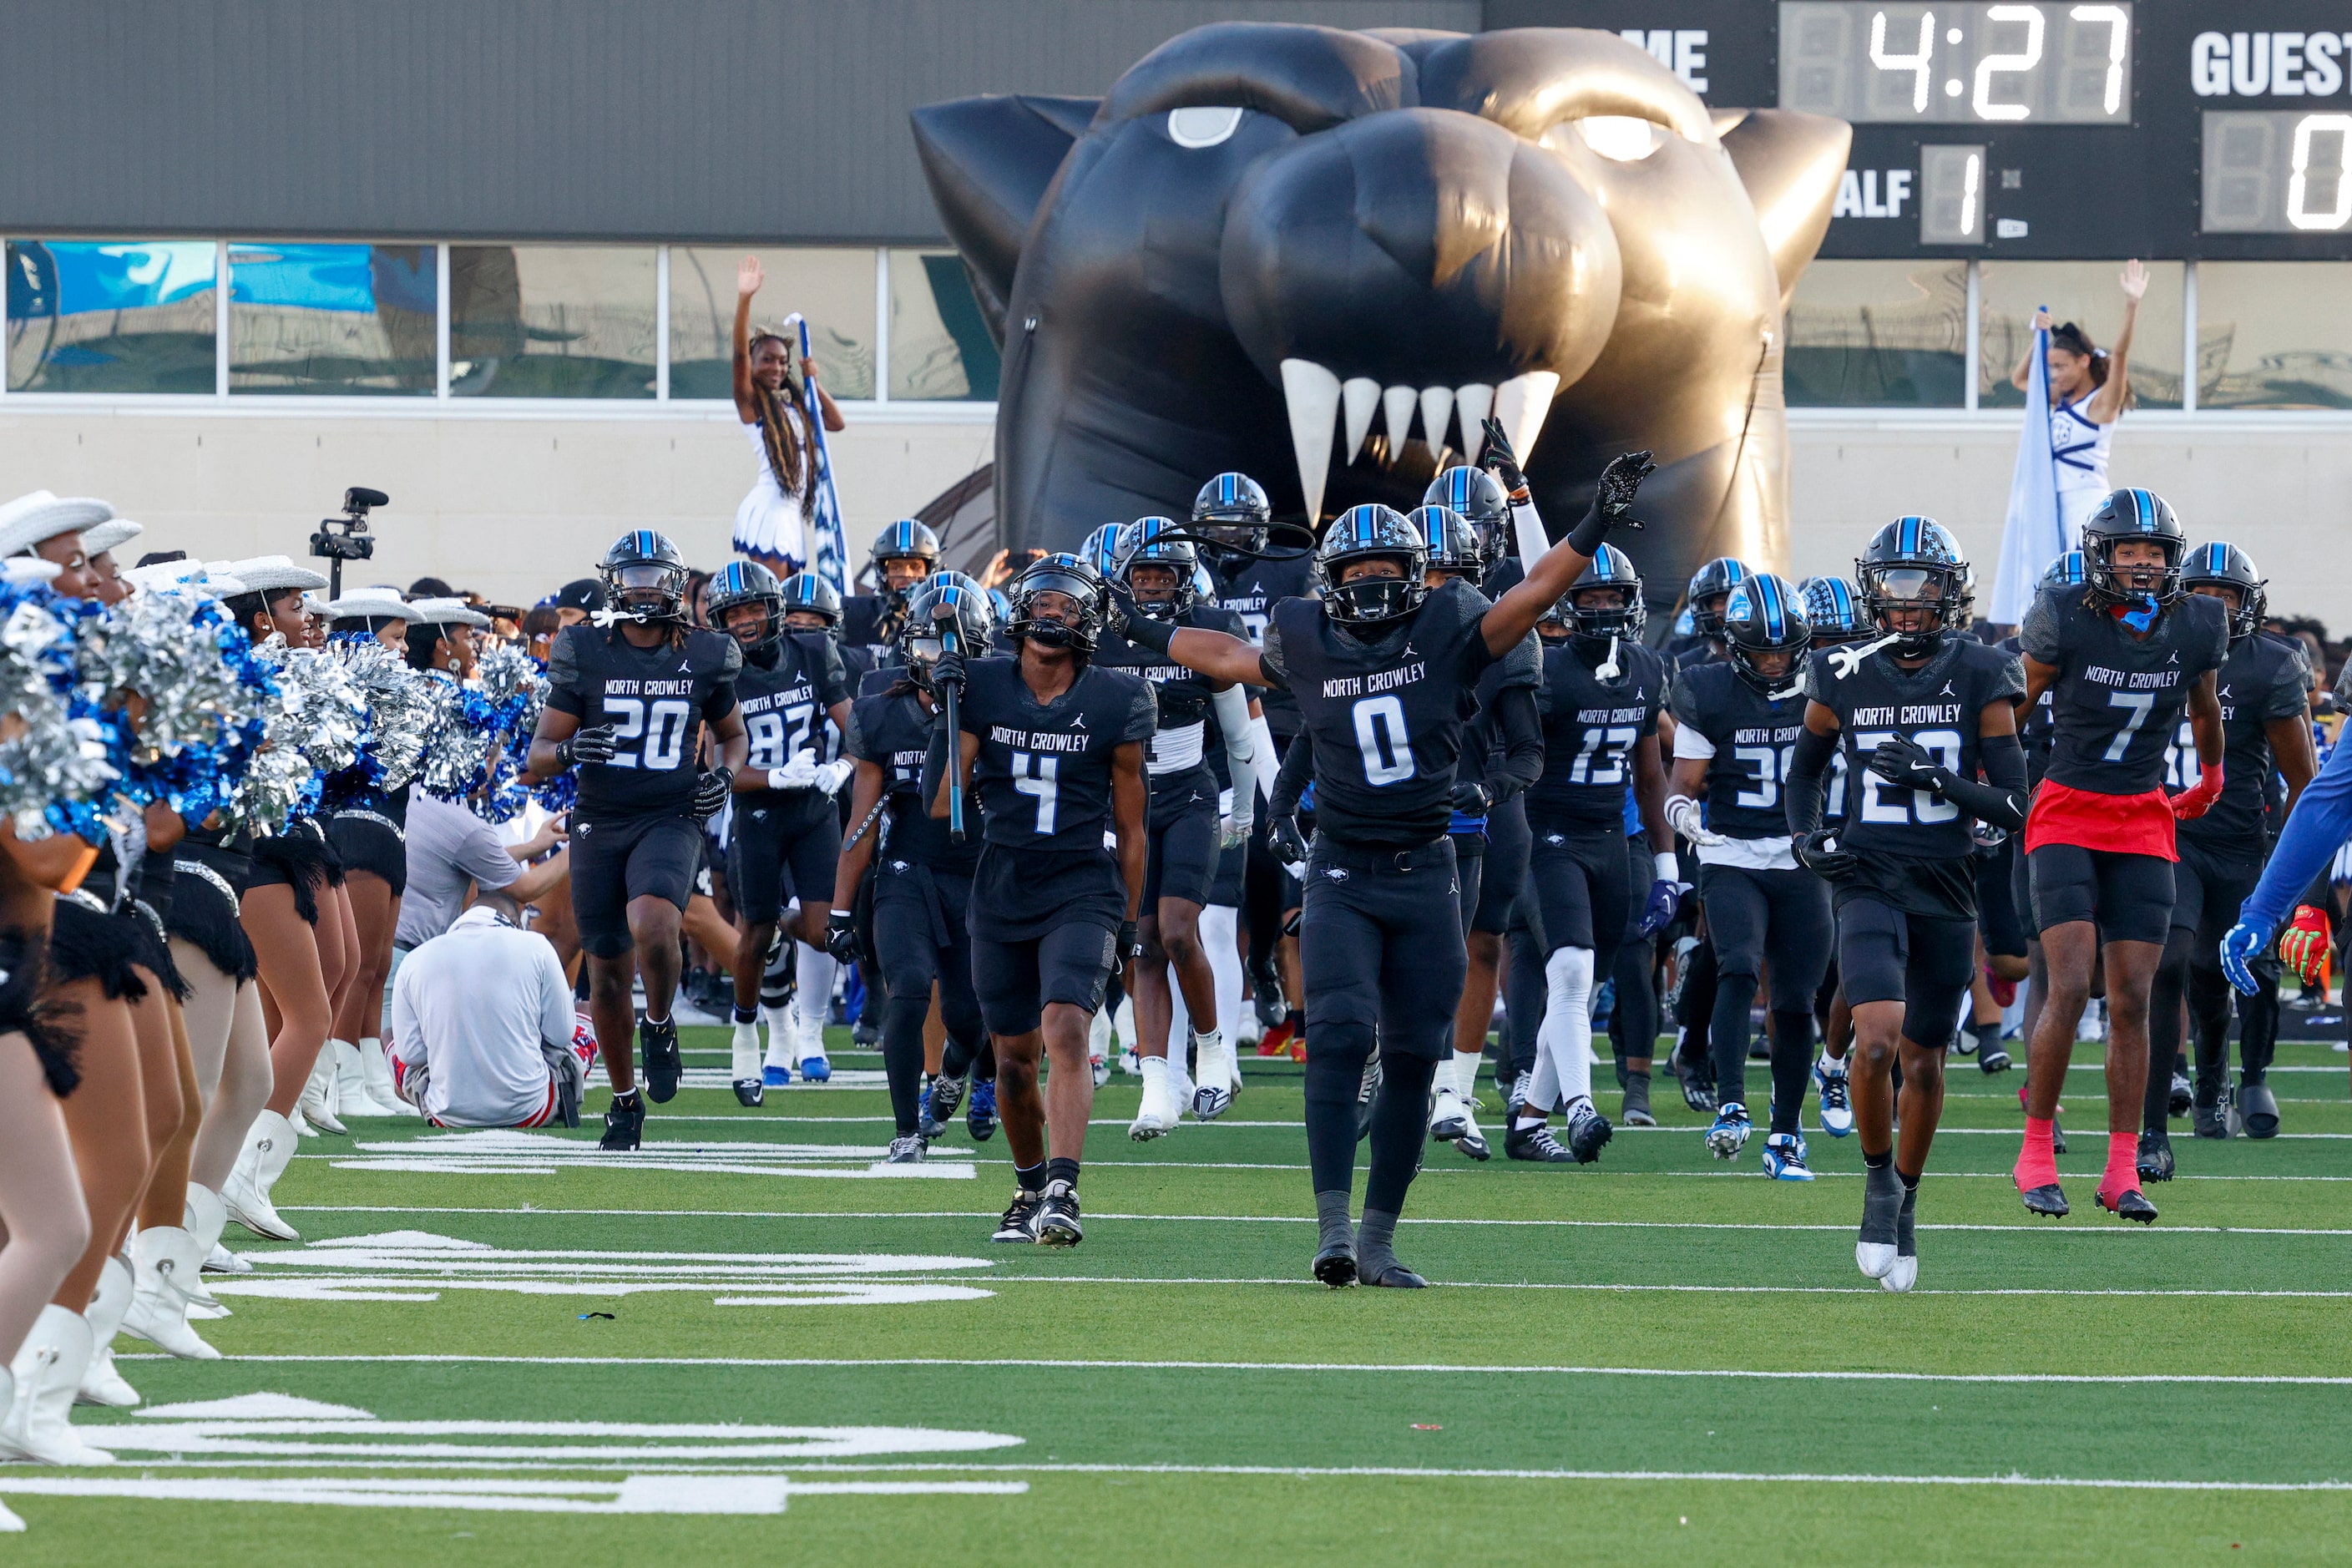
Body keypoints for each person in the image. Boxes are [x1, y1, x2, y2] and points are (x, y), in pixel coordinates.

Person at [1123, 451, 1657, 1287]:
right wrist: (1144, 626)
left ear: (1417, 578)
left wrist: (1591, 523)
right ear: (1331, 579)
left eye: (1387, 569)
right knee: (1336, 1038)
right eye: (1358, 568)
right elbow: (1224, 655)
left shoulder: (1447, 629)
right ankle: (1333, 1231)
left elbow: (1532, 596)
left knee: (1413, 1058)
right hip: (1342, 873)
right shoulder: (1306, 640)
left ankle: (1377, 1240)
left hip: (1427, 874)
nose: (1372, 582)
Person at [1786, 518, 2027, 1291]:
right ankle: (1876, 1179)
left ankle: (1909, 1199)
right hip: (1866, 873)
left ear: (1950, 596)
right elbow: (1804, 775)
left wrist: (1935, 780)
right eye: (1893, 587)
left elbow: (2013, 803)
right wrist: (1806, 834)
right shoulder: (1840, 671)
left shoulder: (1984, 672)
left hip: (1946, 884)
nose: (1906, 606)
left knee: (1924, 1058)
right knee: (1877, 1040)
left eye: (1922, 589)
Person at [924, 554, 1152, 1246]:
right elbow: (943, 805)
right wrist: (949, 712)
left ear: (1091, 622)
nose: (1054, 614)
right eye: (1043, 603)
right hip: (1002, 886)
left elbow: (1133, 828)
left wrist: (1131, 922)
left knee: (1067, 1028)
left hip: (1082, 883)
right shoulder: (984, 684)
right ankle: (1027, 1187)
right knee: (1014, 1059)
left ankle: (1063, 1188)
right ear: (1018, 612)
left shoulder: (1118, 697)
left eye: (1070, 606)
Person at [2014, 488, 2228, 1223]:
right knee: (2070, 985)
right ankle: (2035, 1153)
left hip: (2141, 818)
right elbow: (2011, 705)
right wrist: (1993, 781)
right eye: (2127, 551)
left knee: (2134, 997)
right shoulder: (2066, 614)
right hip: (2067, 809)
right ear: (2099, 555)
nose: (2141, 564)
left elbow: (2202, 705)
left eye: (2154, 552)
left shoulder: (2200, 621)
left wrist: (2210, 777)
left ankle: (2118, 1170)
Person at [528, 530, 747, 1151]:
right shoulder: (585, 649)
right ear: (613, 582)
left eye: (656, 574)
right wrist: (570, 749)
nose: (645, 586)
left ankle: (659, 1023)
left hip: (670, 813)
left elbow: (732, 734)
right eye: (634, 575)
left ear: (676, 584)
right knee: (604, 971)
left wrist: (724, 776)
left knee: (654, 924)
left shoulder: (705, 653)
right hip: (600, 818)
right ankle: (624, 1103)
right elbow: (539, 754)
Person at [2145, 545, 2312, 1160]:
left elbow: (2303, 780)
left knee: (2234, 973)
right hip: (2168, 835)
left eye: (2227, 596)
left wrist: (2287, 864)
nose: (2214, 607)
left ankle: (2242, 1077)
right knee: (2169, 962)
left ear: (2248, 605)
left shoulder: (2267, 664)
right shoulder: (2150, 648)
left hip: (2242, 840)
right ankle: (2168, 1099)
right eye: (2202, 594)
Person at [1092, 518, 1257, 1135]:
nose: (1155, 585)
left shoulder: (1208, 631)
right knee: (1141, 944)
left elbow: (1238, 734)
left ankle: (1213, 1050)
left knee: (1180, 931)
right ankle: (1157, 1083)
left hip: (1188, 795)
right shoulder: (1099, 639)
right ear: (1124, 578)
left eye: (1166, 575)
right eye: (1144, 574)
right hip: (1124, 809)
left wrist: (1242, 811)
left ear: (1187, 580)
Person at [1667, 572, 1830, 1180]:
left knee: (1794, 1000)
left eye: (1783, 649)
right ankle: (1730, 1102)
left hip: (1802, 854)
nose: (1773, 661)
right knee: (1736, 964)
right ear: (1734, 645)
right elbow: (1682, 783)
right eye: (1760, 649)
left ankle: (1785, 1133)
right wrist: (1682, 815)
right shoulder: (1706, 690)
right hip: (1731, 852)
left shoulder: (1824, 683)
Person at [1515, 545, 1677, 1158]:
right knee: (1570, 972)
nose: (1605, 610)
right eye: (1591, 599)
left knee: (1577, 989)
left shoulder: (1644, 667)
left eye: (1614, 599)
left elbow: (1650, 776)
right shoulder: (1544, 669)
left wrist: (1666, 869)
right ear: (1569, 604)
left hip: (1612, 839)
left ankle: (1530, 1120)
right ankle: (1579, 1110)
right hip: (1547, 835)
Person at [829, 579, 999, 1161]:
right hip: (907, 871)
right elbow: (862, 818)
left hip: (979, 872)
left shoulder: (1000, 707)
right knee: (905, 990)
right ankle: (906, 1129)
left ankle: (957, 1072)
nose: (942, 662)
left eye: (955, 651)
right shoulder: (882, 710)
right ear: (909, 650)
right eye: (929, 649)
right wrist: (840, 908)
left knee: (970, 1013)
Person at [707, 559, 852, 1104]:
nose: (744, 621)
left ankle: (788, 1004)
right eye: (733, 613)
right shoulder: (719, 671)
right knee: (754, 933)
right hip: (758, 810)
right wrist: (771, 775)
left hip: (814, 805)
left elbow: (854, 723)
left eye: (751, 609)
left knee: (821, 932)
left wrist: (847, 764)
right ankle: (751, 1035)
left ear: (773, 610)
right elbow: (718, 768)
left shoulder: (812, 651)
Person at [1194, 474, 1308, 1056]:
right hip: (1204, 731)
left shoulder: (1291, 571)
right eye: (1220, 527)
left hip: (1277, 727)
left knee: (1268, 857)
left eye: (1242, 526)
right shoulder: (1186, 570)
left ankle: (1261, 961)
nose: (1231, 537)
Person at [387, 889, 598, 1128]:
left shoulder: (417, 958)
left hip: (446, 1112)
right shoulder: (536, 946)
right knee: (586, 1010)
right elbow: (561, 1036)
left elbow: (410, 1055)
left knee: (389, 1037)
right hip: (532, 1108)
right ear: (516, 921)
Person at [2010, 261, 2147, 548]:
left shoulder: (2100, 404)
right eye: (2052, 368)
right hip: (2054, 503)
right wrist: (2038, 336)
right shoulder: (2061, 398)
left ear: (2084, 361)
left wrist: (2132, 304)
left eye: (2062, 367)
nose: (2055, 375)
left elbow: (2120, 355)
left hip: (2087, 501)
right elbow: (2020, 379)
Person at [731, 255, 846, 577]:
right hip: (771, 512)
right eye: (767, 360)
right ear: (753, 365)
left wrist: (815, 383)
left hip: (791, 514)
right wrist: (745, 298)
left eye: (783, 361)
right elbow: (739, 353)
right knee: (774, 602)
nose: (777, 367)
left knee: (790, 602)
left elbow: (836, 423)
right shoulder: (751, 403)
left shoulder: (793, 406)